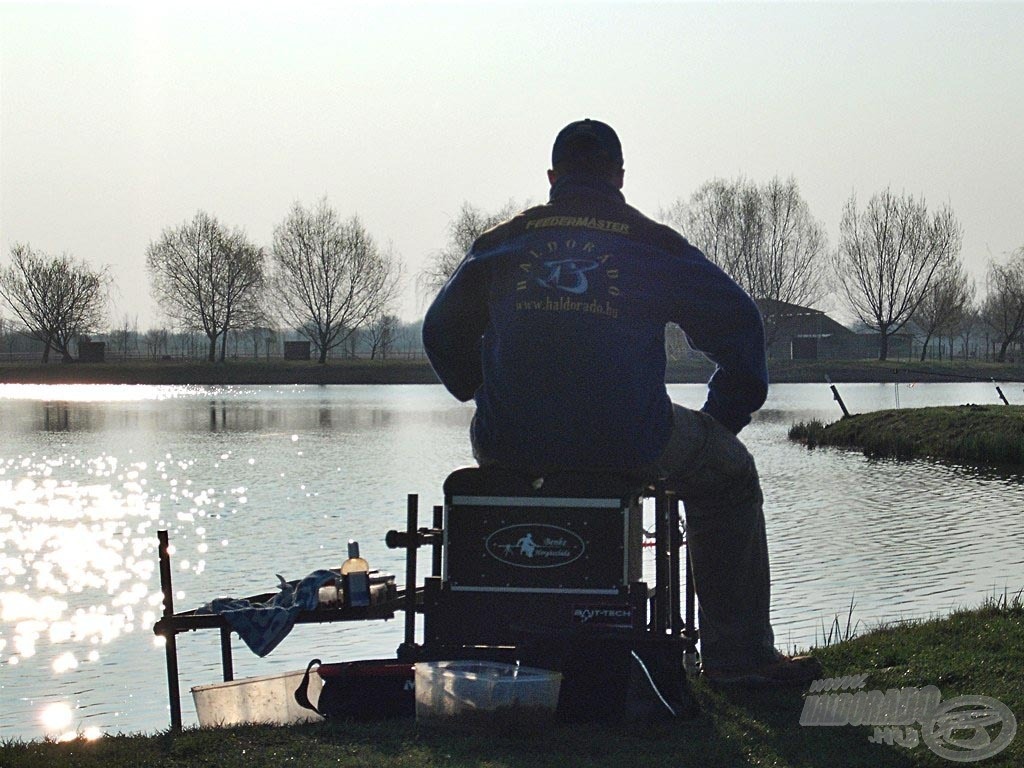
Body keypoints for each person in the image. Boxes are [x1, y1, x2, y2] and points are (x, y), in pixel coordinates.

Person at [422, 118, 821, 687]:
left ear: (553, 177)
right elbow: (739, 323)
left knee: (519, 450)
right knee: (730, 474)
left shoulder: (502, 244)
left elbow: (439, 333)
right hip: (629, 441)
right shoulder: (649, 244)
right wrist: (721, 421)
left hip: (508, 444)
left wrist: (479, 390)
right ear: (619, 176)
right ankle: (738, 661)